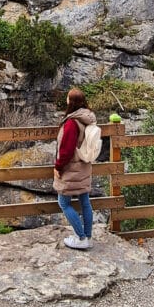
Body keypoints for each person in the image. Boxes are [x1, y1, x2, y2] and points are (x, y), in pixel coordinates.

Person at [53, 87, 97, 250]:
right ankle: (88, 237)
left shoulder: (72, 122)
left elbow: (66, 149)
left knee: (63, 202)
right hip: (84, 166)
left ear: (70, 102)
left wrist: (58, 166)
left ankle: (80, 237)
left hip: (71, 168)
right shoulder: (88, 119)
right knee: (84, 201)